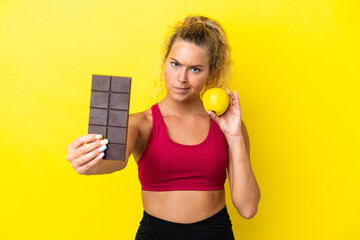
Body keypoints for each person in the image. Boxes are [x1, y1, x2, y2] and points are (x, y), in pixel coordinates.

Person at [66, 15, 261, 240]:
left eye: (195, 69)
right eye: (175, 64)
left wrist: (234, 136)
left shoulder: (228, 127)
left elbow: (248, 208)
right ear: (164, 63)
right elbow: (111, 160)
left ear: (211, 73)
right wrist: (86, 162)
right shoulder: (141, 123)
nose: (181, 78)